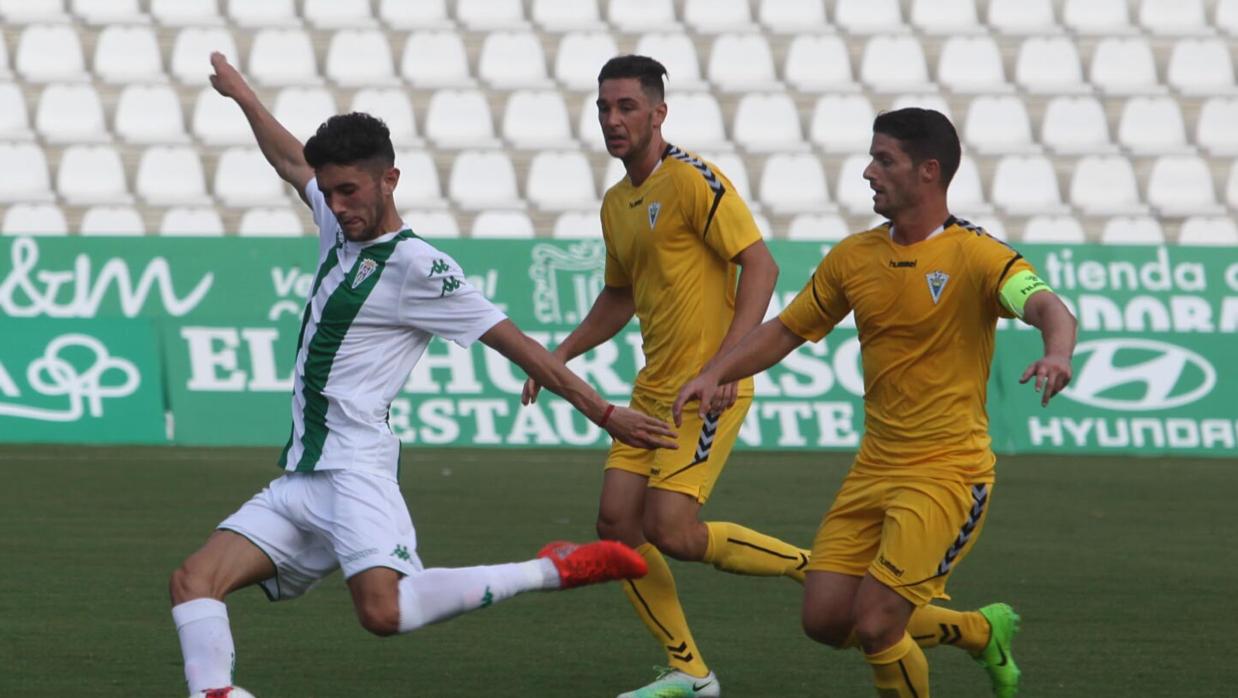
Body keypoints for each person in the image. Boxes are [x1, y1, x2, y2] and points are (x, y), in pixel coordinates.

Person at [167, 53, 681, 696]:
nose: (336, 204)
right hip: (303, 476)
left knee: (383, 613)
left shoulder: (420, 268)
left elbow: (520, 347)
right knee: (193, 582)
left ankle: (547, 569)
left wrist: (604, 413)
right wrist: (243, 96)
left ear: (390, 181)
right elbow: (291, 161)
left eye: (349, 191)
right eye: (329, 193)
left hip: (355, 470)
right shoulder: (337, 222)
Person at [674, 107, 1078, 697]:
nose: (868, 172)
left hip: (947, 474)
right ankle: (978, 631)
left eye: (884, 160)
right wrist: (716, 373)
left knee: (878, 623)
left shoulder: (977, 255)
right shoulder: (854, 258)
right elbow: (786, 329)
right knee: (826, 619)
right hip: (874, 468)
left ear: (929, 172)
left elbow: (1048, 305)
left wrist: (1057, 352)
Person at [522, 55, 809, 698]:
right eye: (603, 108)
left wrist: (725, 366)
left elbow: (761, 268)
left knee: (671, 530)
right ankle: (690, 671)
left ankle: (818, 569)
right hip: (655, 389)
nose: (612, 119)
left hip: (709, 386)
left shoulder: (692, 180)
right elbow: (618, 298)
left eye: (626, 107)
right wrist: (560, 355)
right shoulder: (616, 203)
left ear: (658, 113)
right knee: (616, 523)